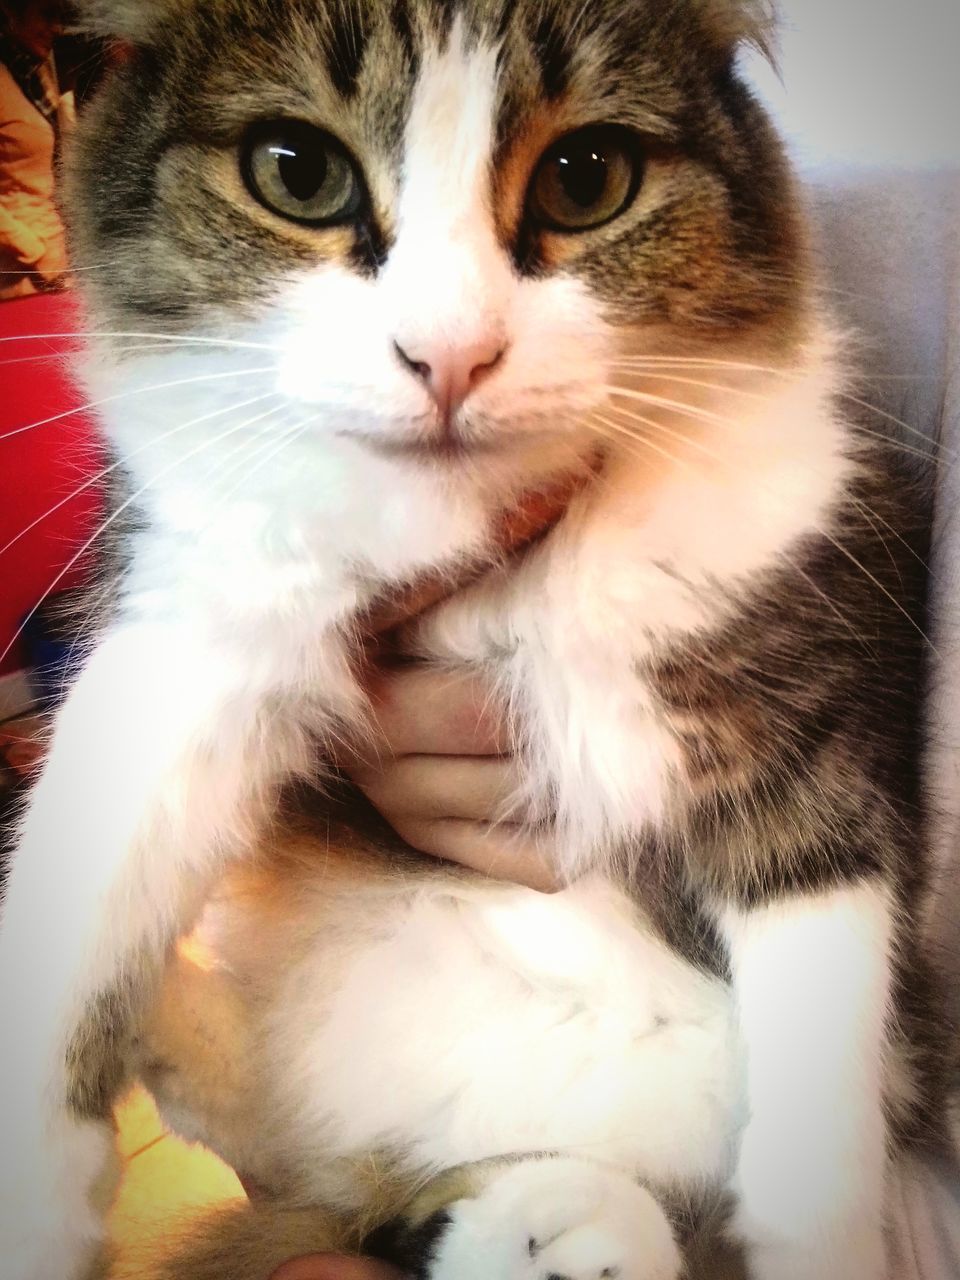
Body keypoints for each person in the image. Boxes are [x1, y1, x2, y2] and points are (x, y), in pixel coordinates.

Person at [0, 0, 74, 299]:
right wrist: (36, 252)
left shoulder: (36, 77)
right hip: (17, 273)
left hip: (56, 266)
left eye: (59, 18)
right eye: (45, 15)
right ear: (11, 13)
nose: (55, 28)